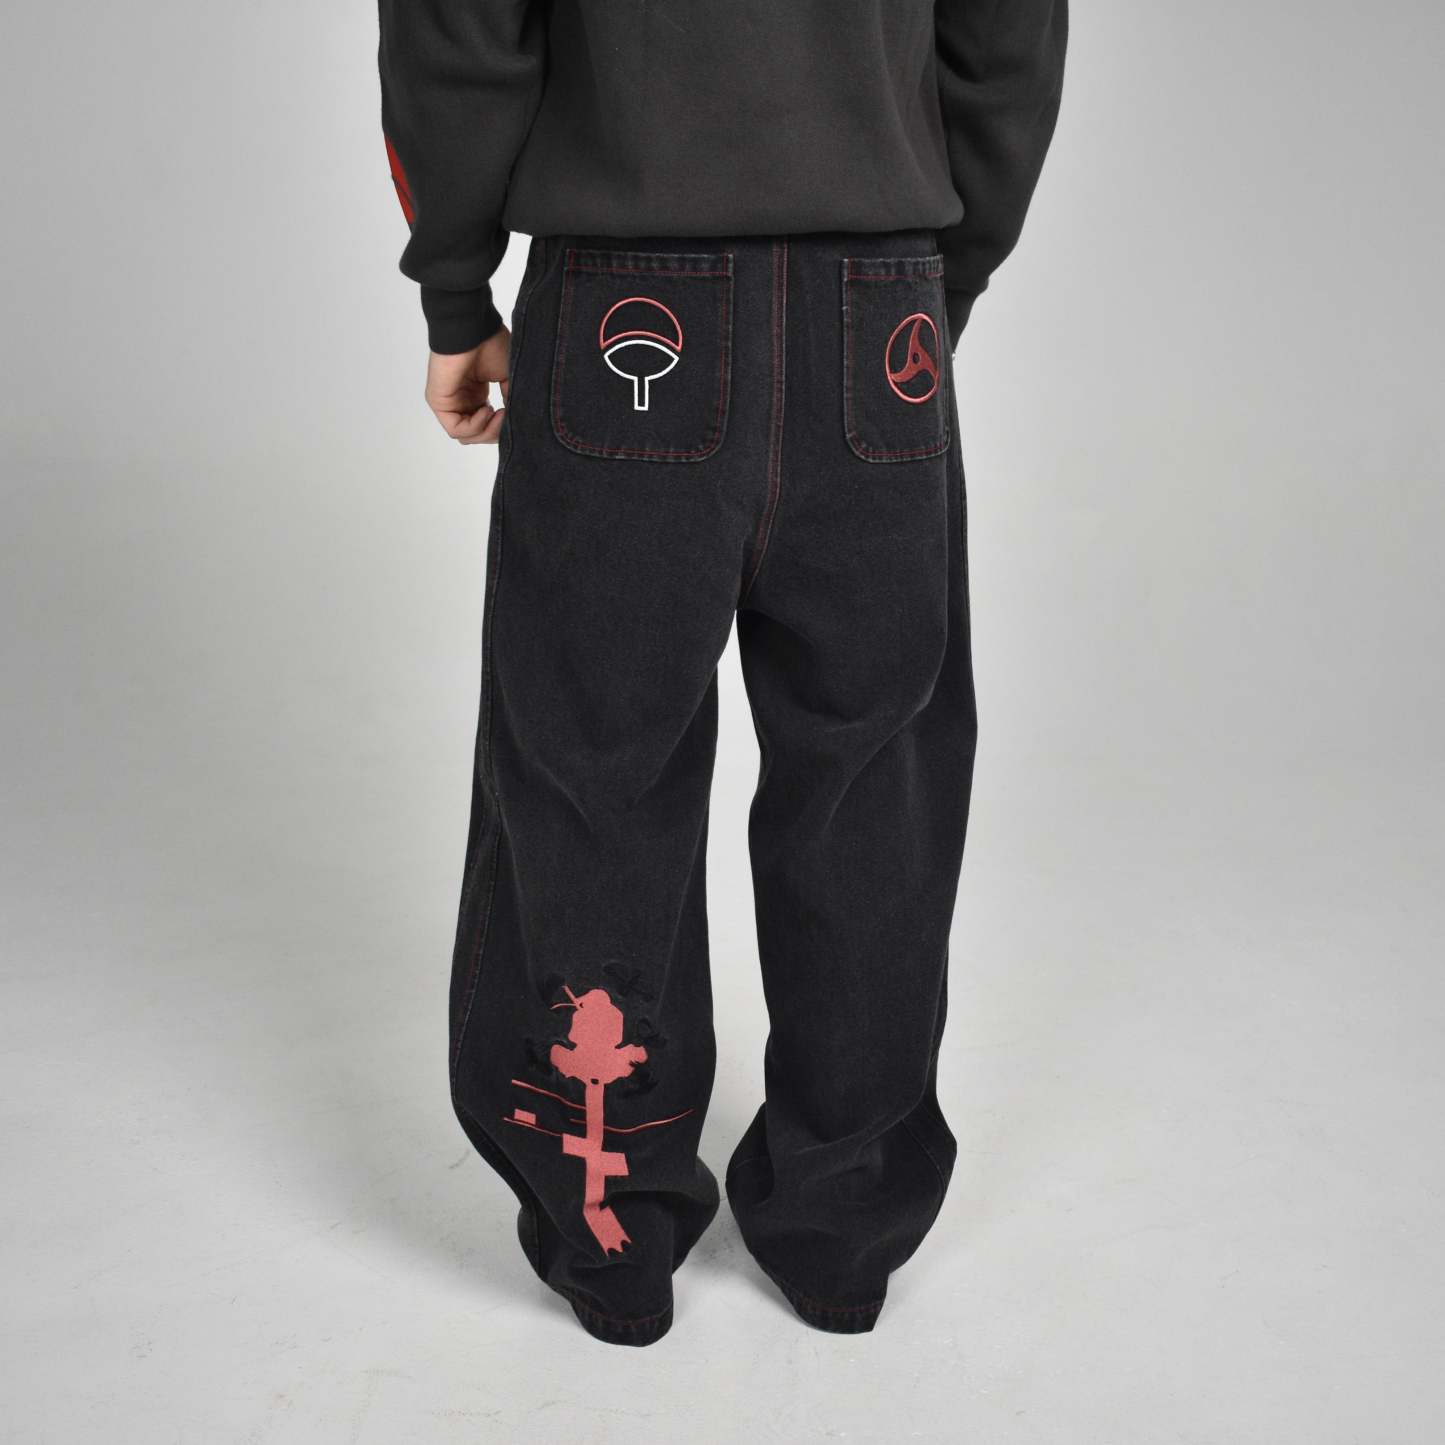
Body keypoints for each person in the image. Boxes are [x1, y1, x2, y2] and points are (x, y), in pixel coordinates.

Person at [378, 0, 1066, 1347]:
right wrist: (946, 272)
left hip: (621, 288)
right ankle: (843, 1226)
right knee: (871, 784)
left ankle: (610, 1229)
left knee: (592, 766)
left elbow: (460, 26)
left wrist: (455, 287)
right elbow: (1007, 37)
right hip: (879, 303)